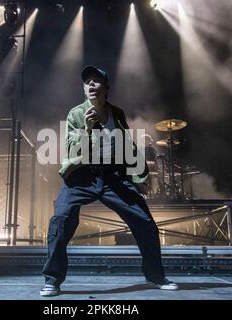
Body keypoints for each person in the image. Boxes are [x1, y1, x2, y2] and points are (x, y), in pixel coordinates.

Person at [40, 65, 178, 297]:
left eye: (96, 81)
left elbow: (128, 146)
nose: (91, 85)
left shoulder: (117, 113)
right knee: (61, 219)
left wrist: (140, 176)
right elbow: (72, 150)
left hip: (113, 175)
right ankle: (52, 280)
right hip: (82, 175)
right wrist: (87, 127)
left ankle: (156, 276)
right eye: (87, 82)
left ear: (106, 88)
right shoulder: (76, 114)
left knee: (144, 222)